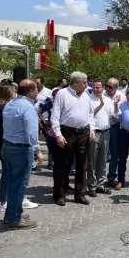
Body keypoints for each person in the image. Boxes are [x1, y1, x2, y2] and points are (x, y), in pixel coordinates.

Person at [1, 79, 43, 230]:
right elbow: (31, 132)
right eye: (36, 90)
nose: (38, 92)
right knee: (19, 185)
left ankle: (13, 213)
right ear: (31, 91)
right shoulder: (28, 106)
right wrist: (38, 150)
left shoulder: (10, 103)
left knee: (13, 183)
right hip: (21, 149)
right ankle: (14, 218)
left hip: (7, 146)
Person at [50, 71, 95, 206]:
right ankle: (59, 194)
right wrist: (58, 134)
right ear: (76, 82)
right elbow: (55, 115)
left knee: (82, 165)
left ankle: (80, 194)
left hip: (83, 133)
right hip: (67, 133)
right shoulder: (62, 94)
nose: (87, 84)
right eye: (85, 82)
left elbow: (90, 114)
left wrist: (92, 128)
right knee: (63, 164)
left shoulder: (86, 95)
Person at [87, 80, 115, 197]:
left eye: (98, 87)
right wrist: (100, 105)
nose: (96, 89)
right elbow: (89, 114)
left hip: (106, 132)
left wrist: (117, 105)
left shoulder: (108, 100)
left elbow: (114, 114)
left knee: (103, 160)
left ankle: (100, 184)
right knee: (92, 160)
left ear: (103, 88)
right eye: (94, 87)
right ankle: (91, 186)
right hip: (94, 132)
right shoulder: (89, 99)